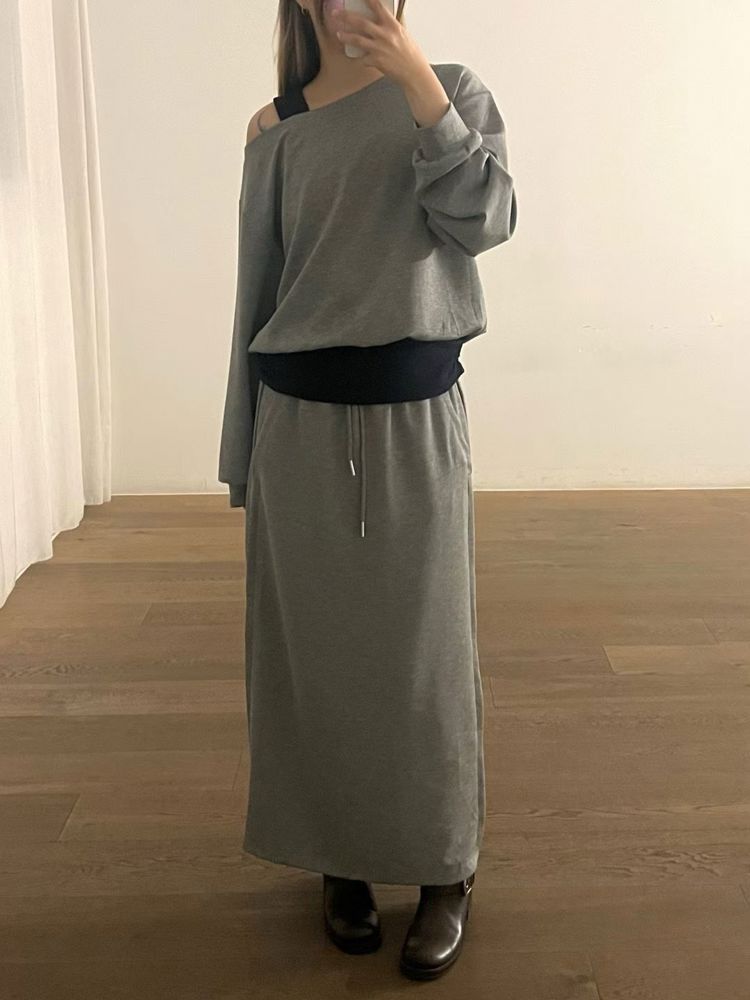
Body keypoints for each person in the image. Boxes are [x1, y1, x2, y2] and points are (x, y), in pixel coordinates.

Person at [218, 0, 517, 980]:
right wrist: (242, 450)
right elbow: (256, 298)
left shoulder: (452, 92)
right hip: (296, 426)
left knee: (424, 658)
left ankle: (444, 867)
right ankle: (338, 856)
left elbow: (486, 221)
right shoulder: (276, 128)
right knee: (315, 661)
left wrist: (420, 87)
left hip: (412, 418)